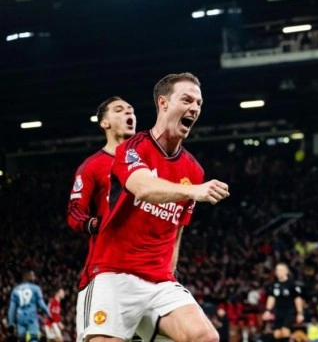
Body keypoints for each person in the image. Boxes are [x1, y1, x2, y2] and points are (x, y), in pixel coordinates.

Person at [79, 72, 231, 342]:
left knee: (206, 337)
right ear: (163, 103)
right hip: (113, 275)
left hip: (159, 282)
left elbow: (177, 230)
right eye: (186, 100)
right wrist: (194, 190)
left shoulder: (194, 170)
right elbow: (143, 187)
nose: (194, 108)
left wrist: (170, 272)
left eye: (199, 103)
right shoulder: (132, 148)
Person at [67, 96, 172, 342]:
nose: (129, 113)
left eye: (131, 110)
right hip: (109, 271)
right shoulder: (92, 166)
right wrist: (96, 223)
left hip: (151, 271)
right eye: (119, 110)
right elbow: (74, 212)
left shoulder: (150, 163)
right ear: (104, 123)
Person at [262, 263, 305, 342]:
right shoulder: (274, 284)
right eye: (277, 270)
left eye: (281, 270)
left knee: (285, 331)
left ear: (286, 271)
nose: (278, 272)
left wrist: (300, 313)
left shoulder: (292, 284)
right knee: (277, 334)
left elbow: (298, 299)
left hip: (289, 312)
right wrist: (268, 311)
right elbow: (271, 297)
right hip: (278, 312)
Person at [7, 271, 52, 342]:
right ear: (30, 277)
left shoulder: (15, 290)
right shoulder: (36, 288)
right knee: (34, 338)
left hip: (20, 318)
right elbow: (42, 305)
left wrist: (10, 323)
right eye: (33, 275)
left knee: (22, 339)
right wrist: (49, 315)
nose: (34, 277)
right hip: (31, 317)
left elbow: (11, 309)